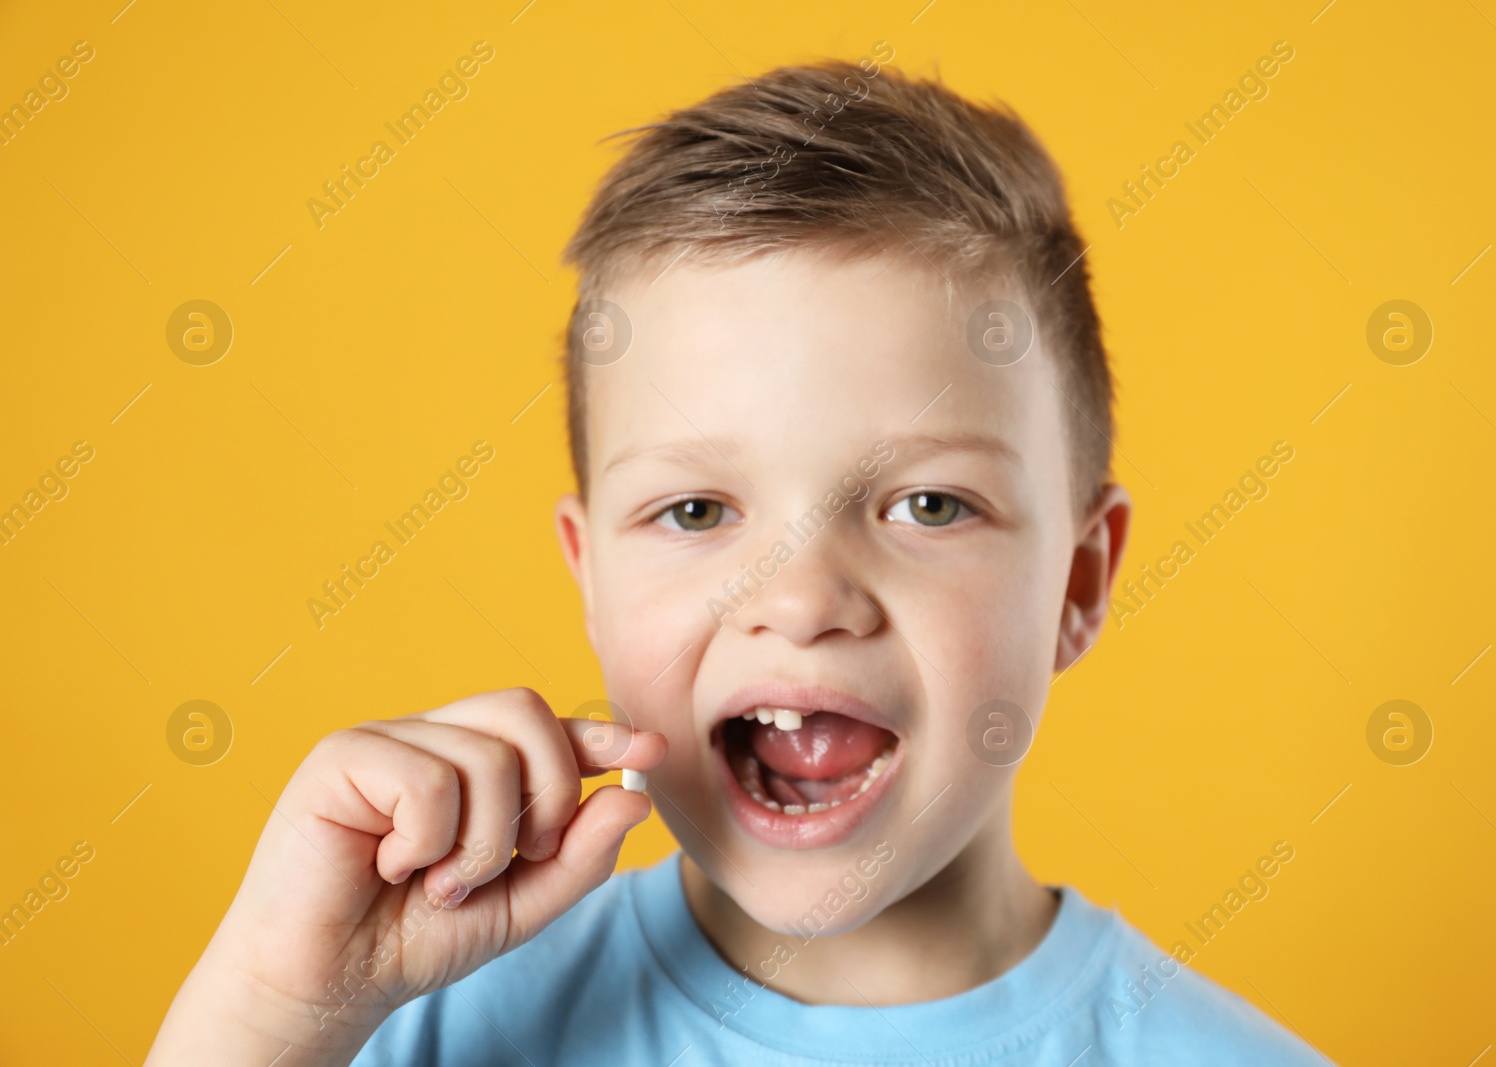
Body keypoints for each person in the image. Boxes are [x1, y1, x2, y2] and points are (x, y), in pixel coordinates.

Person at [149, 54, 1329, 1066]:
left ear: (1078, 582)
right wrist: (271, 1010)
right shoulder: (399, 1019)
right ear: (590, 578)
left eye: (928, 502)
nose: (801, 600)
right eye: (698, 509)